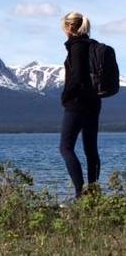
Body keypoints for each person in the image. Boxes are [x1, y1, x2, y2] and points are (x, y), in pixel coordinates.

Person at [59, 11, 101, 199]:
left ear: (69, 27)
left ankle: (80, 194)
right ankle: (93, 193)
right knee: (90, 149)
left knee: (66, 148)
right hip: (94, 102)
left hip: (77, 103)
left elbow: (76, 78)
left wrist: (65, 96)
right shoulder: (91, 45)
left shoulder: (77, 47)